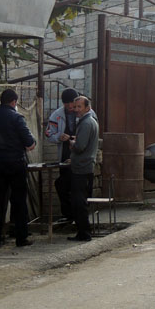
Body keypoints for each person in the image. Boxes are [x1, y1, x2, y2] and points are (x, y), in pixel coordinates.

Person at [0, 88, 36, 248]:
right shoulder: (17, 118)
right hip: (16, 163)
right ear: (14, 102)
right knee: (19, 201)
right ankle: (21, 238)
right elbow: (30, 143)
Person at [45, 87, 80, 223]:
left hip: (81, 157)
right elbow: (49, 133)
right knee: (62, 185)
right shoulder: (57, 115)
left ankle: (78, 216)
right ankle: (68, 215)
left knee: (76, 186)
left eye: (72, 105)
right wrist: (59, 137)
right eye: (67, 105)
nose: (70, 108)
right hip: (64, 157)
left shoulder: (86, 113)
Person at [67, 95, 99, 242]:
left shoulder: (86, 123)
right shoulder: (88, 121)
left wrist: (72, 143)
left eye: (79, 107)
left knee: (79, 202)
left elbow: (80, 147)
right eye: (75, 107)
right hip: (85, 166)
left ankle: (84, 233)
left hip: (82, 167)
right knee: (80, 201)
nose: (76, 110)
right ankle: (83, 232)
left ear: (87, 107)